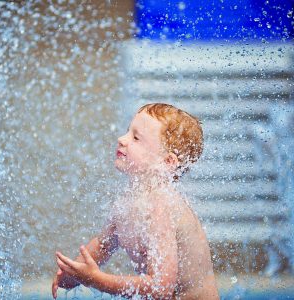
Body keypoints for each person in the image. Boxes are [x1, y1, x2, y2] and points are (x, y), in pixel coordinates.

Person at [52, 103, 220, 299]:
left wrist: (95, 279)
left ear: (167, 162)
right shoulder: (130, 200)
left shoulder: (161, 207)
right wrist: (73, 274)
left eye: (136, 138)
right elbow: (103, 245)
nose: (122, 139)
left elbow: (160, 287)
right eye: (127, 132)